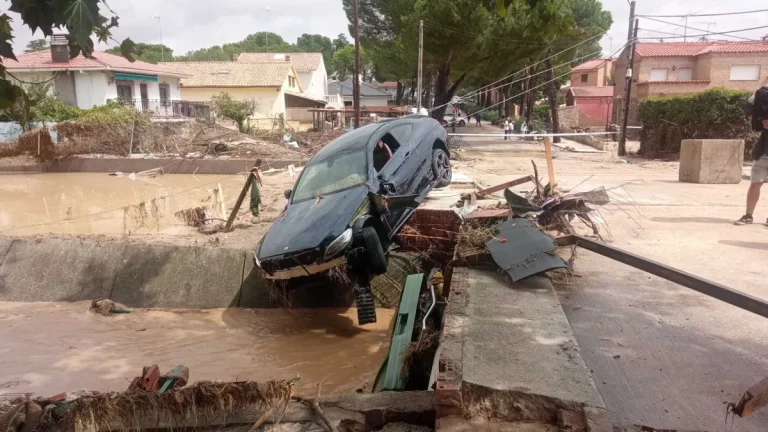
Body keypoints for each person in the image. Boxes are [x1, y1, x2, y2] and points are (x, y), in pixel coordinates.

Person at [736, 87, 768, 225]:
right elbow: (750, 107)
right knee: (755, 183)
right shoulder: (763, 94)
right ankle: (748, 215)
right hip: (763, 149)